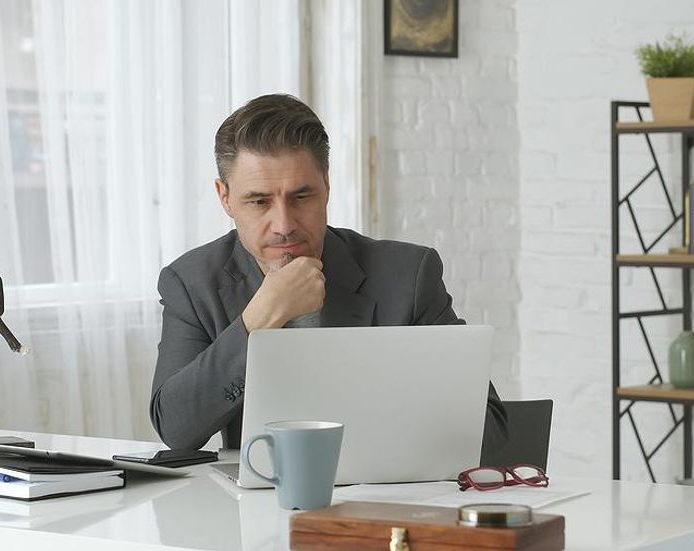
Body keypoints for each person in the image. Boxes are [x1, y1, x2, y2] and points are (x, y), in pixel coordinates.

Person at [150, 94, 507, 453]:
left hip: (388, 495)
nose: (284, 225)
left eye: (301, 197)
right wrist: (258, 320)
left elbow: (489, 426)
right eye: (259, 201)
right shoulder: (192, 282)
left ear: (327, 186)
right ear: (224, 197)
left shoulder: (407, 275)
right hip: (257, 498)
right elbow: (176, 430)